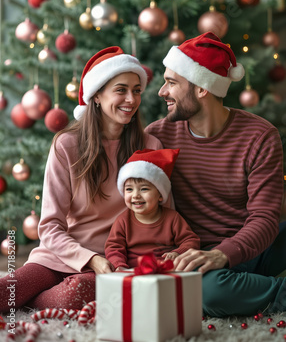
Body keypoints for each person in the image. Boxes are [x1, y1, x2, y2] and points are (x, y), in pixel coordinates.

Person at [0, 46, 163, 313]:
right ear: (96, 95)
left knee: (75, 295)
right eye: (121, 90)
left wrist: (109, 262)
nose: (131, 99)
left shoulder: (149, 146)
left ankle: (30, 302)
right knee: (6, 290)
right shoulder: (67, 145)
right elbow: (50, 227)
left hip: (114, 261)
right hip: (58, 256)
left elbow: (162, 214)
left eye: (136, 90)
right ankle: (26, 296)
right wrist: (90, 259)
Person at [145, 31, 286, 317]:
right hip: (195, 256)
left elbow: (265, 218)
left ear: (202, 88)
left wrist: (225, 253)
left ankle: (250, 288)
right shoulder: (157, 136)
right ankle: (276, 292)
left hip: (249, 246)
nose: (161, 91)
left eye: (171, 82)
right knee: (207, 292)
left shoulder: (260, 136)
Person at [105, 148, 200, 269]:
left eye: (144, 189)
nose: (136, 195)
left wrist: (178, 253)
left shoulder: (172, 218)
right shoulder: (123, 221)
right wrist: (119, 266)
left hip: (166, 271)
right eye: (129, 189)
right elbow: (113, 248)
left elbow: (191, 240)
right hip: (133, 272)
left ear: (160, 195)